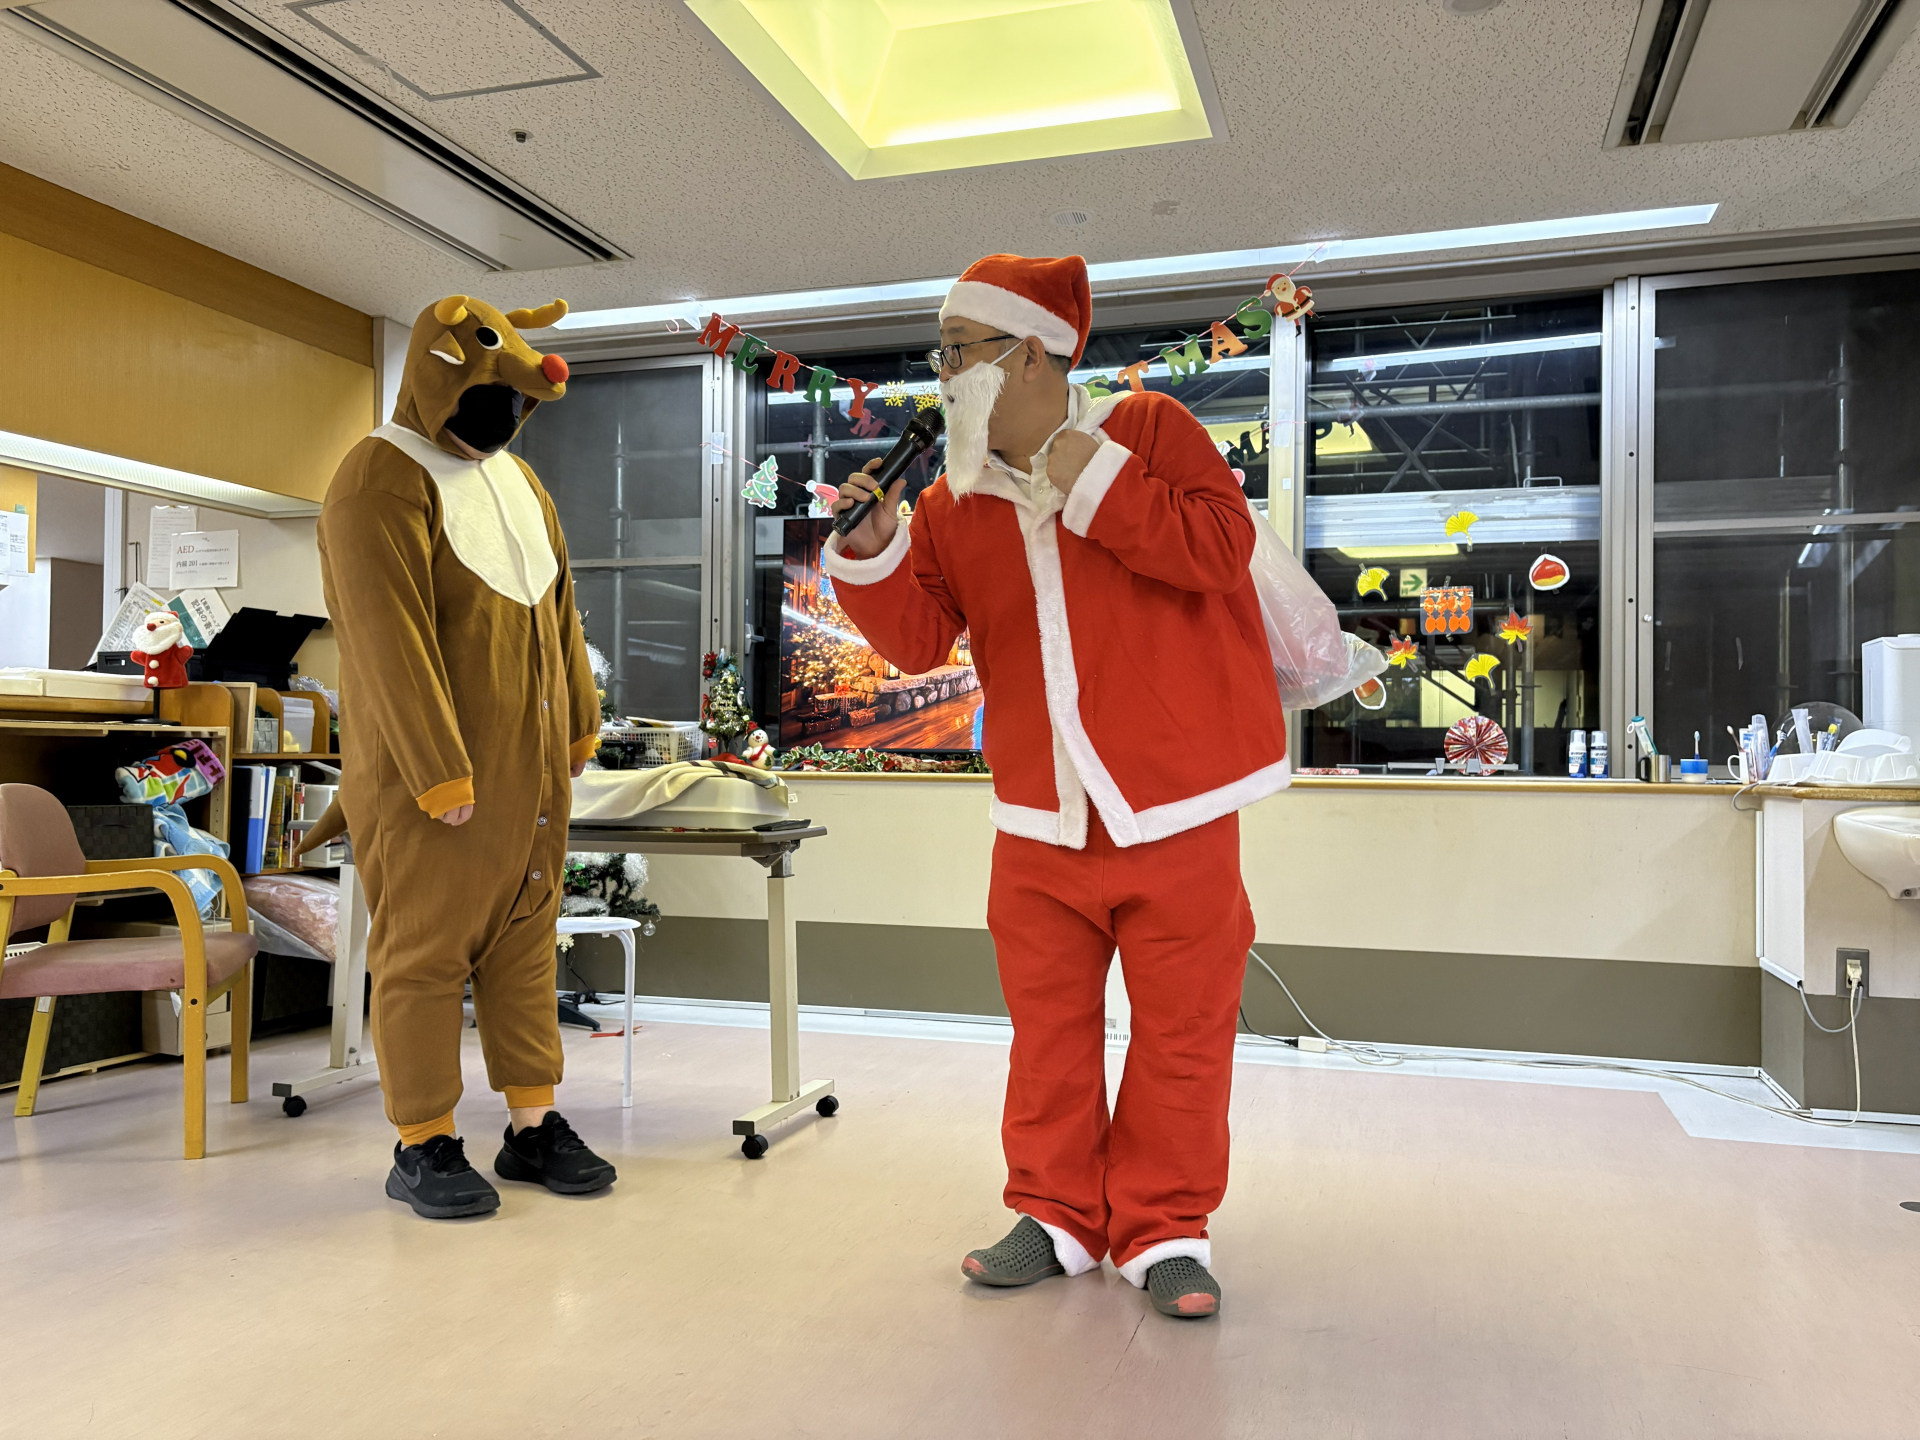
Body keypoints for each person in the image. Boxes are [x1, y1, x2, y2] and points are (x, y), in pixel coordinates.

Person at [826, 254, 1288, 1319]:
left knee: (1183, 1035)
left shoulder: (1150, 430)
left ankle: (1166, 1230)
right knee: (1047, 1039)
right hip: (1037, 816)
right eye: (941, 353)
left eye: (958, 351)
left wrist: (1087, 475)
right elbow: (916, 641)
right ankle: (1057, 1216)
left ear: (1029, 355)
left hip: (1175, 807)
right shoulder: (950, 497)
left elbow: (1219, 551)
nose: (942, 373)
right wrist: (874, 550)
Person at [315, 294, 616, 1219]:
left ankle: (533, 1126)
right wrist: (437, 768)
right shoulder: (377, 476)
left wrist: (579, 723)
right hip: (430, 784)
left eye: (515, 404)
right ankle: (423, 1140)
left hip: (529, 780)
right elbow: (385, 639)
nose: (503, 419)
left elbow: (560, 614)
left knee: (524, 950)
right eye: (490, 397)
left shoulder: (521, 484)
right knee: (424, 954)